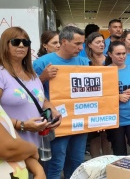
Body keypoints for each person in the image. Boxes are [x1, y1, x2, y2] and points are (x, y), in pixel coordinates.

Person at [33, 26, 89, 179]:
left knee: (77, 162)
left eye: (82, 43)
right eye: (77, 44)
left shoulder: (84, 62)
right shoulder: (41, 63)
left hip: (79, 120)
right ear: (64, 41)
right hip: (55, 121)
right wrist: (43, 78)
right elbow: (28, 91)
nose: (80, 47)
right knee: (56, 163)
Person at [0, 27, 61, 148]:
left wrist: (54, 112)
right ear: (5, 44)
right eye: (15, 42)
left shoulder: (31, 74)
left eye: (25, 42)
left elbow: (42, 99)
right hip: (11, 147)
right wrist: (22, 125)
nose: (21, 45)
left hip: (37, 145)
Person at [0, 44, 46, 179]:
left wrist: (37, 168)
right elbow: (8, 147)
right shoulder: (0, 75)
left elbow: (8, 131)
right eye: (16, 42)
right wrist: (32, 150)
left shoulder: (31, 74)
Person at [105, 41, 130, 155]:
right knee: (119, 154)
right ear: (110, 54)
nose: (122, 56)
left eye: (124, 53)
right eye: (118, 54)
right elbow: (101, 95)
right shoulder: (105, 71)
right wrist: (117, 96)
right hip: (115, 119)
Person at [83, 32, 112, 158]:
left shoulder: (109, 59)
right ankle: (95, 163)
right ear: (89, 45)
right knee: (94, 136)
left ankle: (107, 161)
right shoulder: (85, 62)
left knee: (107, 135)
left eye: (102, 42)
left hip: (108, 102)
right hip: (92, 103)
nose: (101, 44)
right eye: (98, 42)